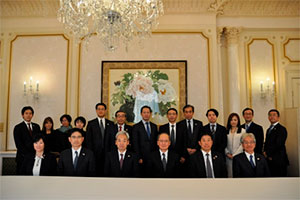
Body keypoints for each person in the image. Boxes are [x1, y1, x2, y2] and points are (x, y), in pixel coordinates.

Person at [86, 103, 115, 176]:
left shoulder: (111, 124)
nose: (100, 111)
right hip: (95, 153)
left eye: (102, 109)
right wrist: (90, 153)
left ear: (105, 111)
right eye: (99, 109)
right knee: (96, 172)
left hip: (108, 153)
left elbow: (113, 139)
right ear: (96, 111)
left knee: (107, 172)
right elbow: (88, 140)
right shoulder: (91, 123)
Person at [177, 104, 203, 177]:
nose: (188, 114)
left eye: (190, 112)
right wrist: (185, 151)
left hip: (197, 153)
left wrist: (196, 149)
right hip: (184, 155)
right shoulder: (179, 125)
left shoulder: (199, 124)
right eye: (186, 112)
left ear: (193, 113)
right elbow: (179, 141)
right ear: (183, 113)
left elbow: (201, 139)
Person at [132, 105, 158, 176]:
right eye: (144, 112)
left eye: (148, 112)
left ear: (150, 114)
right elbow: (135, 143)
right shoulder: (136, 127)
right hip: (142, 157)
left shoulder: (154, 126)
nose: (146, 114)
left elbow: (156, 142)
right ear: (141, 114)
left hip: (153, 156)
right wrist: (138, 157)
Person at [13, 106, 41, 174]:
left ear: (32, 115)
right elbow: (19, 145)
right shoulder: (18, 127)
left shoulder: (36, 126)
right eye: (26, 113)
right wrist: (29, 155)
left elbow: (39, 141)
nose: (28, 115)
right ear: (22, 115)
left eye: (30, 113)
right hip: (23, 158)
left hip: (35, 157)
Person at [263, 109, 289, 177]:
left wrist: (268, 153)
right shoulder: (269, 129)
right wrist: (264, 152)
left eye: (274, 115)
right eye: (270, 115)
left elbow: (279, 144)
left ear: (278, 117)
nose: (272, 117)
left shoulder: (282, 129)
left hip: (278, 160)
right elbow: (267, 143)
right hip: (269, 160)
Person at [225, 113, 245, 178]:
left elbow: (243, 144)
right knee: (229, 174)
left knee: (238, 173)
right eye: (231, 120)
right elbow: (224, 143)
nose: (233, 122)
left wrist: (235, 155)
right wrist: (227, 153)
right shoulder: (226, 131)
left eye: (235, 120)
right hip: (228, 157)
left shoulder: (242, 131)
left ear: (238, 121)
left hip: (239, 156)